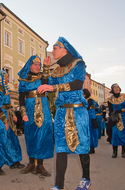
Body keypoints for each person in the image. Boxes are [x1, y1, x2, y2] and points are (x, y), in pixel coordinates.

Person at [37, 37, 91, 190]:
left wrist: (54, 88)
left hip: (77, 111)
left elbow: (77, 84)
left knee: (82, 146)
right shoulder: (57, 69)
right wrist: (46, 69)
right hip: (61, 112)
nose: (52, 51)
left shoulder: (78, 63)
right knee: (60, 148)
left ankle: (86, 179)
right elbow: (44, 86)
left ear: (64, 49)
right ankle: (58, 186)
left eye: (55, 48)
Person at [18, 55, 54, 177]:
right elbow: (20, 98)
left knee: (43, 136)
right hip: (29, 109)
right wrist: (23, 113)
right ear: (30, 66)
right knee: (30, 136)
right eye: (35, 64)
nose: (38, 67)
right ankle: (31, 163)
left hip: (43, 109)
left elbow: (46, 84)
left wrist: (47, 67)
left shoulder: (43, 77)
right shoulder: (23, 79)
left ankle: (40, 166)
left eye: (39, 65)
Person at [0, 68, 24, 175]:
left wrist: (13, 115)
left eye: (8, 77)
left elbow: (8, 106)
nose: (7, 79)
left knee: (12, 140)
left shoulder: (6, 89)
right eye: (6, 77)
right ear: (0, 78)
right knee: (1, 141)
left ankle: (14, 161)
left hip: (7, 115)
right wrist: (5, 121)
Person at [107, 83, 125, 158]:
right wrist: (111, 116)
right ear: (112, 90)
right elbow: (110, 109)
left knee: (124, 135)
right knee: (115, 135)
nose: (117, 89)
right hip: (115, 119)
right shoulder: (110, 98)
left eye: (118, 88)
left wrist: (121, 110)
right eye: (115, 88)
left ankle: (123, 152)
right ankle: (115, 152)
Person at [83, 89, 98, 154]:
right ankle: (89, 147)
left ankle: (92, 148)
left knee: (91, 133)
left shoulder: (89, 100)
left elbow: (86, 108)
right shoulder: (88, 100)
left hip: (90, 119)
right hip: (90, 118)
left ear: (85, 94)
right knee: (88, 133)